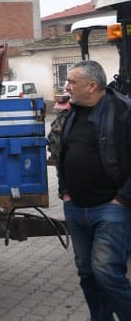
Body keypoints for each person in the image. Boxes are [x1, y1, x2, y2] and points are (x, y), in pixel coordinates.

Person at [56, 60, 131, 319]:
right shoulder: (71, 112)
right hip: (76, 208)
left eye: (72, 82)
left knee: (107, 273)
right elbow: (61, 151)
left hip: (110, 208)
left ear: (92, 86)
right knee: (87, 274)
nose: (66, 87)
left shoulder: (123, 111)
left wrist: (122, 199)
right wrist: (64, 190)